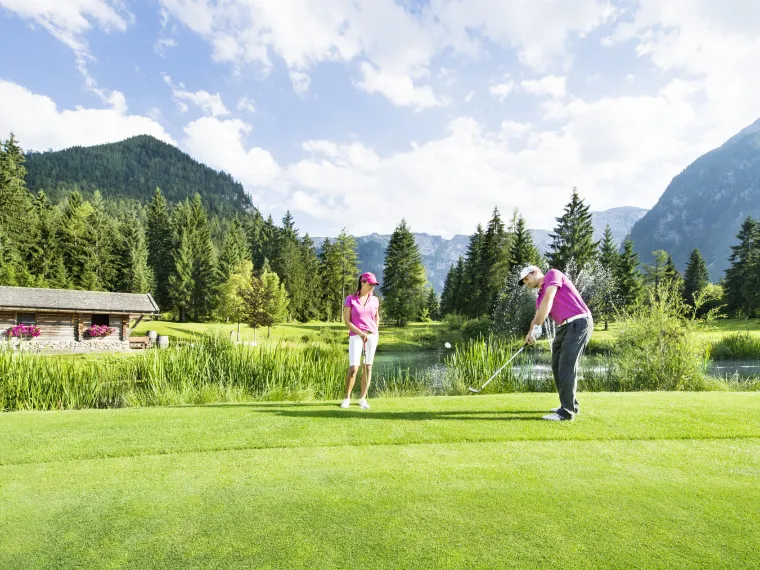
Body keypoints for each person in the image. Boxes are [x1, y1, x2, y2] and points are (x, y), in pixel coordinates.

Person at [519, 264, 593, 421]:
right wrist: (530, 333)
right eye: (524, 281)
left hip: (579, 322)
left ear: (535, 272)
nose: (526, 282)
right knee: (556, 364)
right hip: (564, 327)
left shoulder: (552, 275)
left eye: (527, 278)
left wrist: (537, 326)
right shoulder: (539, 296)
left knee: (567, 364)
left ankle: (566, 413)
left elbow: (550, 297)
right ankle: (570, 404)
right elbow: (538, 315)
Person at [340, 272, 381, 410]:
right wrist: (360, 333)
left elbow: (376, 317)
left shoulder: (375, 300)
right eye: (370, 284)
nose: (372, 287)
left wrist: (376, 331)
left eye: (374, 285)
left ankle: (362, 399)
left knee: (368, 367)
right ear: (362, 282)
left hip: (371, 336)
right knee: (354, 368)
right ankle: (347, 398)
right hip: (356, 336)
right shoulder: (350, 299)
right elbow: (347, 321)